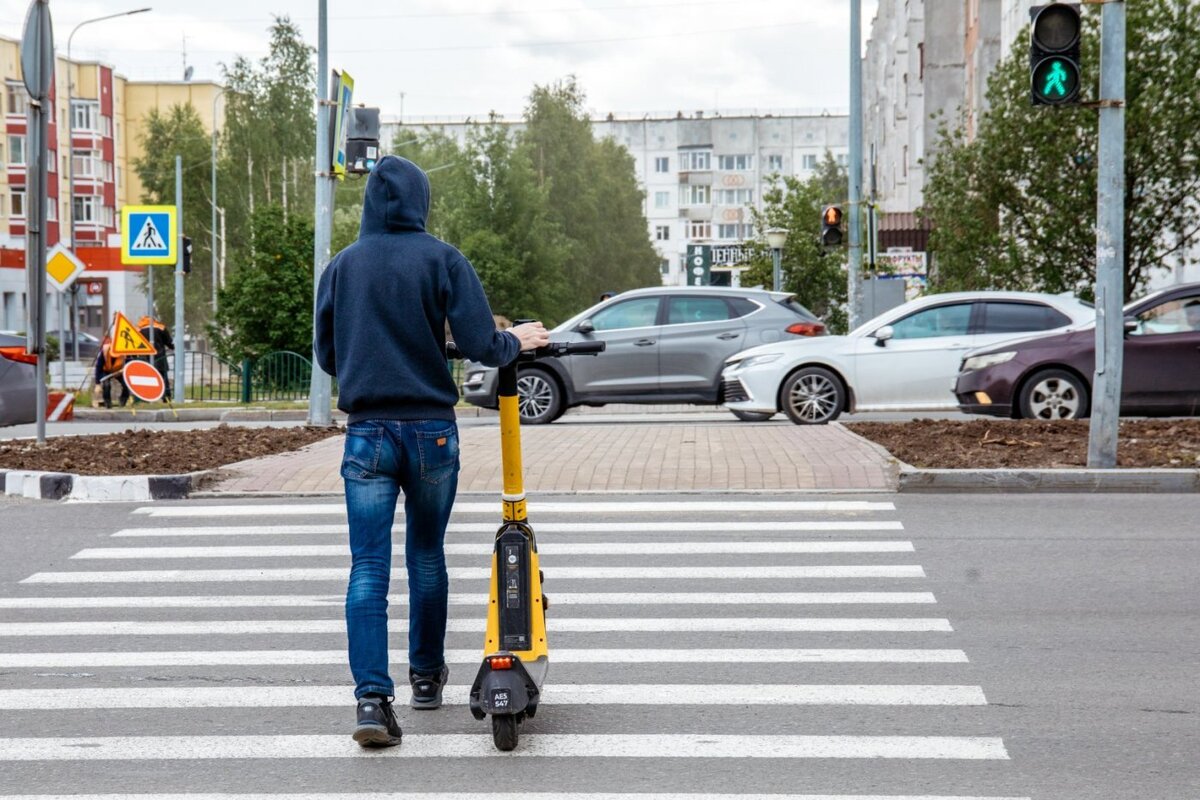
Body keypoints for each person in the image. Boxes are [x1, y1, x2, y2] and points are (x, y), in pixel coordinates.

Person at [314, 155, 549, 749]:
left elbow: (327, 354)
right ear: (420, 201)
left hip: (367, 432)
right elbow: (480, 344)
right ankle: (425, 678)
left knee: (367, 567)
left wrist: (371, 366)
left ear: (369, 201)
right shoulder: (443, 258)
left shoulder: (342, 266)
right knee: (425, 555)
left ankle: (372, 701)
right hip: (430, 433)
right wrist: (512, 340)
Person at [137, 315, 174, 396]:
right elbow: (169, 342)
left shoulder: (139, 330)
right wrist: (172, 347)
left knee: (146, 377)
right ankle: (166, 395)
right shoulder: (160, 327)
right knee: (163, 377)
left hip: (145, 358)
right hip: (160, 357)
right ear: (154, 320)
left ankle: (147, 396)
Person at [93, 336, 130, 408]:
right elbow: (98, 367)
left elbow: (130, 363)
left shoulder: (124, 352)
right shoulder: (104, 351)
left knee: (126, 384)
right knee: (106, 384)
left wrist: (125, 368)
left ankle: (123, 400)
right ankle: (107, 402)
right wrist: (97, 383)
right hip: (106, 371)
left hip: (119, 371)